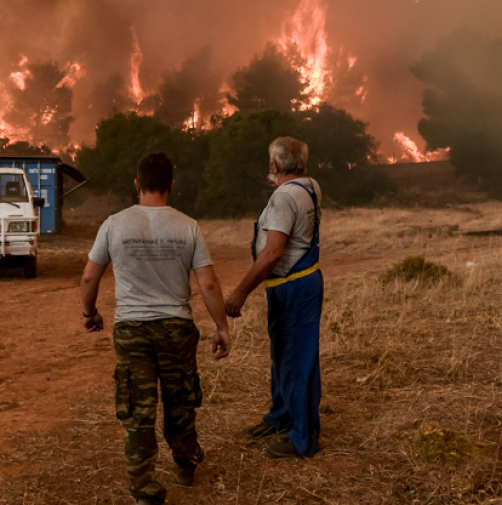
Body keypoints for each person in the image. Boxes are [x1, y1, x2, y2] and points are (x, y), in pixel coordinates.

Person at [79, 152, 231, 505]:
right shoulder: (187, 226)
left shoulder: (114, 224)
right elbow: (208, 285)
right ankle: (185, 465)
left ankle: (144, 486)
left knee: (138, 408)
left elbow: (90, 276)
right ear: (171, 185)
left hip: (132, 329)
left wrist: (90, 313)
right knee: (180, 401)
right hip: (176, 328)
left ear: (137, 184)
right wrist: (221, 326)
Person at [225, 136, 323, 459]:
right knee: (284, 355)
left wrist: (240, 292)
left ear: (275, 165)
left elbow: (272, 254)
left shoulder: (283, 198)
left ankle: (301, 437)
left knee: (297, 360)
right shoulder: (310, 186)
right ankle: (281, 417)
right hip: (301, 282)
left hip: (292, 286)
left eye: (271, 163)